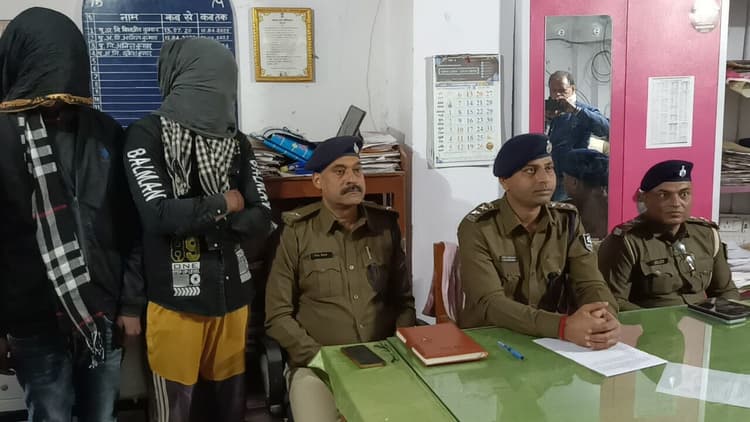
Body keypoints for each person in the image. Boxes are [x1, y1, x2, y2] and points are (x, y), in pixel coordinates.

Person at [0, 8, 144, 422]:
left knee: (102, 415)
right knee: (50, 415)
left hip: (102, 309)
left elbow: (131, 224)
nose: (57, 104)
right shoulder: (4, 138)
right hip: (33, 318)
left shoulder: (106, 132)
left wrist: (131, 304)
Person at [123, 38, 273, 422]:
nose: (221, 91)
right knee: (175, 411)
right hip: (176, 302)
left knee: (228, 410)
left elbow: (261, 216)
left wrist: (198, 219)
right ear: (185, 78)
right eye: (210, 79)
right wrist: (223, 203)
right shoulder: (146, 135)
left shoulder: (236, 142)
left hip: (233, 298)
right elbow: (157, 215)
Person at [265, 136, 416, 422]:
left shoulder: (385, 227)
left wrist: (396, 350)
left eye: (357, 170)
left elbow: (404, 302)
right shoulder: (296, 233)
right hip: (316, 366)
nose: (352, 179)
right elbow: (277, 316)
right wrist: (320, 359)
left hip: (383, 359)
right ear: (317, 181)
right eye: (339, 171)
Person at [457, 133, 620, 350]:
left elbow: (589, 282)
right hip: (493, 338)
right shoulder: (478, 227)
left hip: (552, 340)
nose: (544, 179)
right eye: (530, 171)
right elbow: (490, 303)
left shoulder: (567, 220)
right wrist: (562, 326)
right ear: (504, 180)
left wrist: (604, 317)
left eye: (549, 168)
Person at [598, 160, 739, 311]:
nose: (676, 203)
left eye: (684, 194)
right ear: (644, 198)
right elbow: (613, 300)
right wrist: (656, 322)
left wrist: (729, 317)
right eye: (663, 195)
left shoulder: (707, 234)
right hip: (651, 323)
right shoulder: (626, 241)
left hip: (703, 320)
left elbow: (725, 291)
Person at [546, 71, 610, 200]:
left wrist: (575, 111)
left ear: (573, 89)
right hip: (546, 174)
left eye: (562, 91)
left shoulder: (583, 110)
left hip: (570, 178)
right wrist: (545, 119)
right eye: (554, 91)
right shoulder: (544, 109)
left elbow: (606, 129)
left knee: (562, 210)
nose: (558, 95)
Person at [560, 148, 609, 240]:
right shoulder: (616, 208)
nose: (563, 182)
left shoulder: (564, 213)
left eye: (564, 177)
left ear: (574, 182)